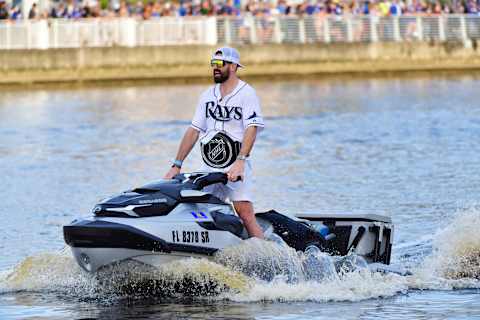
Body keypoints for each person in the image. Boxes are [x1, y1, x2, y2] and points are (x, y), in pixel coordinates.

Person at [164, 46, 264, 239]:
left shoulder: (247, 93)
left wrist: (241, 161)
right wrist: (176, 165)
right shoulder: (207, 95)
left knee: (244, 212)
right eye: (213, 64)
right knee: (198, 208)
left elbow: (252, 128)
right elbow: (194, 130)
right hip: (210, 168)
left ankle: (267, 258)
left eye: (221, 63)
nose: (216, 68)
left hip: (236, 166)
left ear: (234, 66)